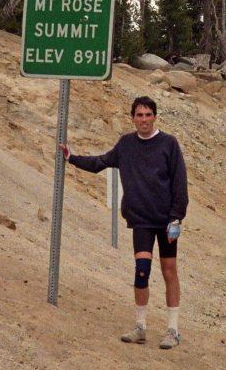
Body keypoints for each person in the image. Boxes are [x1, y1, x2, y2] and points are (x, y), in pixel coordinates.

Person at [59, 95, 188, 350]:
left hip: (166, 221)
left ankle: (172, 330)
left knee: (169, 271)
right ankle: (140, 327)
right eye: (139, 115)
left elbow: (179, 183)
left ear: (154, 117)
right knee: (142, 271)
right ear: (132, 118)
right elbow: (99, 163)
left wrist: (176, 219)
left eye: (148, 115)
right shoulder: (126, 144)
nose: (144, 120)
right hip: (140, 219)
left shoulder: (168, 144)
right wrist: (71, 157)